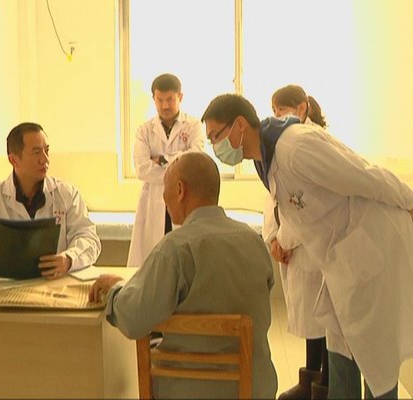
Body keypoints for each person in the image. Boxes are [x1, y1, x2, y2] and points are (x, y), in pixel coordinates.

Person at [201, 93, 413, 399]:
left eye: (215, 136)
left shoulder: (295, 147)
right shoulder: (267, 159)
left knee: (376, 358)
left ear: (239, 125)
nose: (215, 146)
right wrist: (278, 240)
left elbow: (363, 176)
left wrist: (409, 201)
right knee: (341, 350)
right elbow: (298, 212)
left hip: (371, 247)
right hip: (342, 260)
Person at [90, 152, 277, 399]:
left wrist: (115, 290)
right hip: (254, 388)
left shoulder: (175, 249)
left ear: (180, 190)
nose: (164, 200)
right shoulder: (255, 242)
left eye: (165, 190)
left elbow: (134, 319)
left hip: (187, 390)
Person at [0, 122, 101, 278]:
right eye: (36, 152)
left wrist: (69, 259)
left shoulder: (67, 194)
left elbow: (89, 239)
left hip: (54, 285)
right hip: (3, 287)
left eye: (47, 151)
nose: (45, 159)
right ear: (14, 160)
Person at [265, 85, 329, 399]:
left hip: (312, 246)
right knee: (311, 321)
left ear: (302, 108)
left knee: (325, 322)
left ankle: (323, 385)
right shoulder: (280, 144)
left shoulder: (313, 143)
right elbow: (272, 198)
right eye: (275, 110)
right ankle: (310, 381)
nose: (278, 116)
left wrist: (285, 241)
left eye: (283, 109)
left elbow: (307, 202)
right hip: (291, 246)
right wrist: (272, 239)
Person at [127, 73, 204, 267]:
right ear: (153, 99)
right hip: (153, 200)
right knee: (152, 261)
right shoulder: (144, 131)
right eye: (160, 100)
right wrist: (179, 162)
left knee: (184, 259)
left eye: (170, 99)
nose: (165, 105)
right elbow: (142, 169)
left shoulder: (193, 125)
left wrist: (162, 159)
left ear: (180, 97)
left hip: (184, 197)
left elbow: (195, 160)